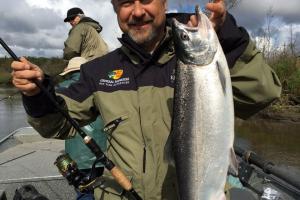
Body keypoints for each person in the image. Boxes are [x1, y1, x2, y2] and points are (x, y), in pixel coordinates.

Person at [11, 0, 282, 199]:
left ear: (164, 3)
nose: (138, 11)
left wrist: (232, 42)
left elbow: (263, 93)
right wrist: (37, 93)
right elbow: (58, 125)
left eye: (147, 0)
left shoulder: (202, 61)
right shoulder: (96, 71)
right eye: (127, 2)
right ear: (116, 9)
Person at [57, 57, 107, 200]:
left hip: (77, 157)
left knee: (84, 192)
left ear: (68, 72)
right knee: (104, 190)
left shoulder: (60, 88)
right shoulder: (101, 86)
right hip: (103, 153)